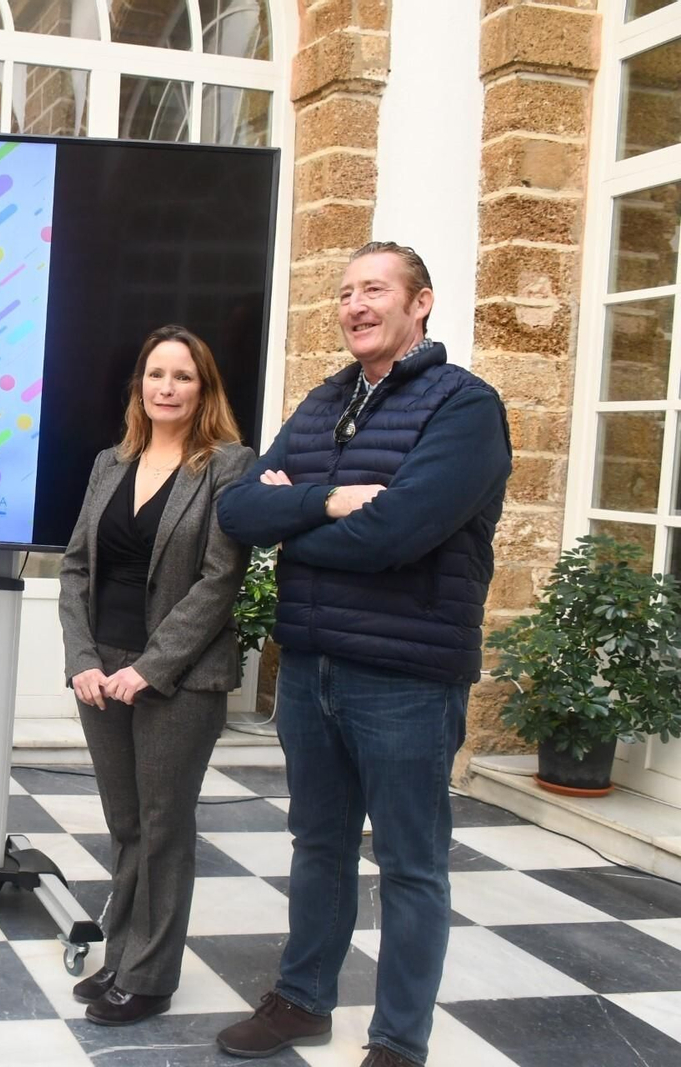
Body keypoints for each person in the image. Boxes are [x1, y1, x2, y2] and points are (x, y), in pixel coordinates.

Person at [214, 242, 512, 1067]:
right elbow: (239, 511)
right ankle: (302, 998)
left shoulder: (465, 406)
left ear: (421, 302)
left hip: (406, 677)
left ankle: (398, 1040)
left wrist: (295, 525)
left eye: (374, 288)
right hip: (311, 666)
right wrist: (332, 501)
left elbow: (396, 535)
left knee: (411, 864)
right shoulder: (323, 403)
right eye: (345, 292)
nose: (354, 305)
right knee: (318, 843)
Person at [59, 325, 255, 1026]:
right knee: (126, 824)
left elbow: (219, 579)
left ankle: (150, 977)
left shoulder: (227, 466)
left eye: (183, 376)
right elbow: (76, 567)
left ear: (204, 390)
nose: (166, 388)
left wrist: (150, 668)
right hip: (102, 670)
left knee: (163, 824)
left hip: (179, 676)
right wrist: (82, 659)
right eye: (156, 374)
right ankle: (120, 958)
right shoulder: (109, 462)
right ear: (139, 384)